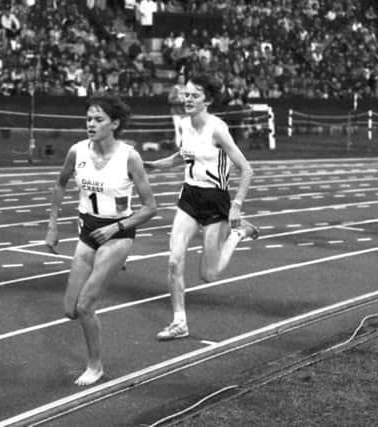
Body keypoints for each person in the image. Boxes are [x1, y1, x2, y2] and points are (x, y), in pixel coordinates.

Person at [45, 94, 157, 386]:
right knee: (70, 310)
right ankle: (110, 265)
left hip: (117, 233)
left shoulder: (129, 157)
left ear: (114, 124)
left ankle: (95, 366)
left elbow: (150, 208)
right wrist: (53, 226)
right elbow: (60, 183)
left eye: (98, 120)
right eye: (88, 119)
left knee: (85, 306)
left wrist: (115, 228)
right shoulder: (77, 151)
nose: (90, 124)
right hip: (87, 231)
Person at [144, 73, 259, 341]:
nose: (188, 99)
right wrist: (152, 165)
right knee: (174, 261)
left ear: (207, 100)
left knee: (208, 274)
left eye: (195, 95)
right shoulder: (185, 124)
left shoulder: (217, 129)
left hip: (216, 201)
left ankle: (238, 233)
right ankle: (179, 322)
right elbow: (181, 157)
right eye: (186, 94)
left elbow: (247, 170)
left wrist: (236, 206)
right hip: (189, 198)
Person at [168, 72, 185, 147]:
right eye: (180, 78)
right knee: (178, 130)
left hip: (185, 113)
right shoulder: (175, 88)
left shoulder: (187, 88)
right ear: (178, 80)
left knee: (186, 130)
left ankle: (185, 146)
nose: (182, 80)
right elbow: (170, 100)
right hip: (176, 112)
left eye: (183, 78)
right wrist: (179, 101)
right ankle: (178, 146)